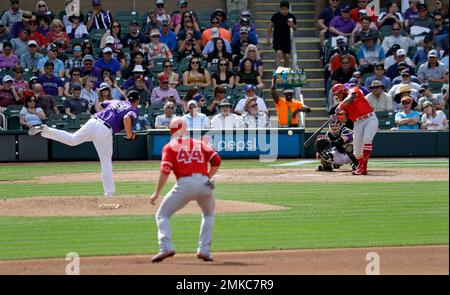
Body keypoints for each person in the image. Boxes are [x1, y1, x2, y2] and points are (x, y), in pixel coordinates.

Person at [29, 91, 141, 198]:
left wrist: (113, 112)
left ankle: (46, 130)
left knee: (72, 139)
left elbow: (102, 104)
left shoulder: (116, 101)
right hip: (105, 129)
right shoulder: (134, 109)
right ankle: (109, 194)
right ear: (137, 101)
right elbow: (127, 118)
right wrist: (130, 134)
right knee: (106, 162)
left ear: (127, 98)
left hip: (93, 121)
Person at [150, 117, 221, 263]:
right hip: (204, 183)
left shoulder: (170, 146)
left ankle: (166, 247)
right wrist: (208, 176)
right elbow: (216, 160)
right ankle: (204, 251)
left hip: (185, 183)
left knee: (162, 214)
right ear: (186, 129)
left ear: (171, 130)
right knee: (208, 214)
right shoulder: (200, 143)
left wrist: (157, 192)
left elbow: (165, 170)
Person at [332, 83, 379, 175]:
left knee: (367, 139)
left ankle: (363, 168)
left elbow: (351, 98)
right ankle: (360, 166)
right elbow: (345, 118)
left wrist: (340, 106)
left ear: (341, 91)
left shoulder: (353, 90)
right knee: (357, 152)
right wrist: (339, 116)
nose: (337, 96)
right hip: (357, 122)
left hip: (370, 118)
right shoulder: (342, 103)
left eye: (337, 94)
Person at [266, 1, 297, 68]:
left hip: (286, 39)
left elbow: (296, 28)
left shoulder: (291, 16)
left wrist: (292, 26)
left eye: (286, 9)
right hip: (277, 38)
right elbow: (270, 26)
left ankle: (286, 72)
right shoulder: (276, 16)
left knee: (287, 56)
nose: (284, 11)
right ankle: (277, 71)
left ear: (288, 9)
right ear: (280, 9)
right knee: (279, 53)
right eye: (283, 9)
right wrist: (268, 39)